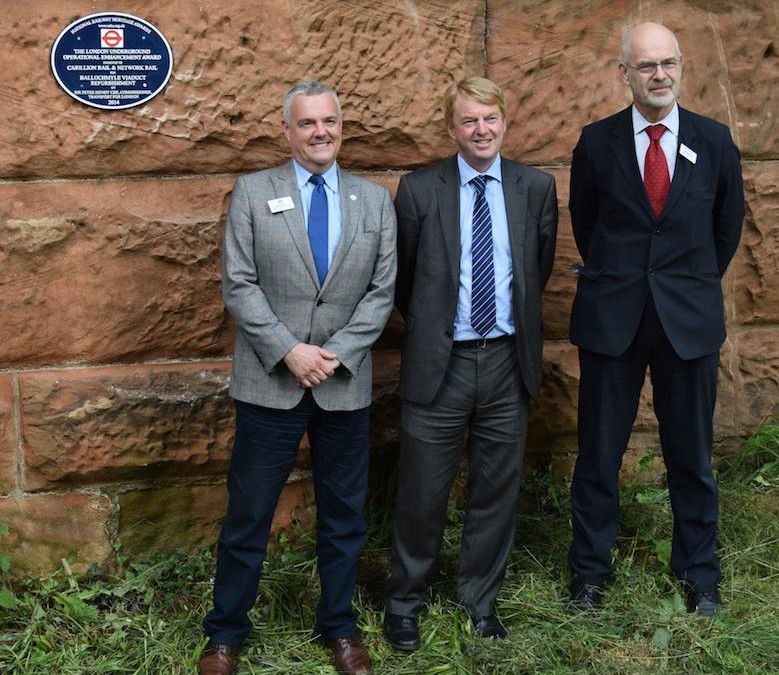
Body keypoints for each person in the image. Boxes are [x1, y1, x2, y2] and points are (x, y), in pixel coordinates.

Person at [198, 81, 396, 675]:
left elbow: (381, 291)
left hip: (343, 383)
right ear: (286, 132)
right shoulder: (255, 193)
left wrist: (332, 355)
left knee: (344, 517)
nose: (320, 133)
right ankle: (225, 635)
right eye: (307, 123)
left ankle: (338, 627)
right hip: (269, 384)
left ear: (341, 127)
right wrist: (290, 352)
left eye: (329, 122)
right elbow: (239, 283)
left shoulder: (373, 200)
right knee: (248, 516)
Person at [567, 22, 744, 616]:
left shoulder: (714, 141)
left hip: (687, 324)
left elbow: (726, 228)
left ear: (682, 66)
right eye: (646, 66)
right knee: (597, 456)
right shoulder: (596, 142)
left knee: (691, 457)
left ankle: (699, 576)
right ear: (625, 74)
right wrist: (626, 280)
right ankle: (589, 576)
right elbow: (587, 224)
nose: (659, 75)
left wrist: (683, 285)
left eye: (668, 63)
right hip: (613, 321)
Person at [383, 76, 558, 650]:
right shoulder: (418, 190)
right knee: (421, 493)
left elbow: (538, 269)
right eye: (468, 121)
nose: (480, 130)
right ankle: (405, 603)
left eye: (490, 118)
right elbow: (405, 283)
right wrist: (441, 331)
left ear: (504, 121)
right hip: (442, 365)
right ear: (451, 128)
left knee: (495, 492)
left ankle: (480, 602)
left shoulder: (535, 188)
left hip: (508, 361)